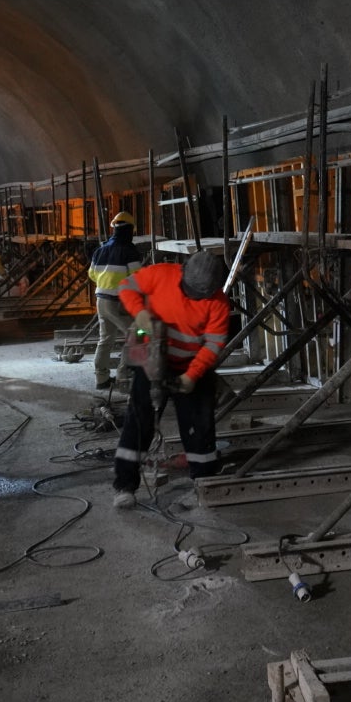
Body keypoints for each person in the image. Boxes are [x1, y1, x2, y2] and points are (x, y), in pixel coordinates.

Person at [110, 250, 230, 508]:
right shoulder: (161, 273)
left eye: (200, 295)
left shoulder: (218, 302)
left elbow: (213, 345)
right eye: (189, 290)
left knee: (199, 425)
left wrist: (191, 377)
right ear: (183, 270)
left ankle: (204, 482)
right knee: (139, 420)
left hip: (189, 363)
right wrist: (139, 312)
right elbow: (126, 286)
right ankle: (125, 485)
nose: (193, 297)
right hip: (151, 356)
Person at [87, 212, 143, 390]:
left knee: (106, 339)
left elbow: (92, 274)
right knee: (139, 334)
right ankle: (123, 374)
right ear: (130, 230)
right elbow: (137, 280)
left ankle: (101, 378)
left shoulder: (100, 249)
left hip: (101, 301)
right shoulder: (130, 251)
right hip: (118, 303)